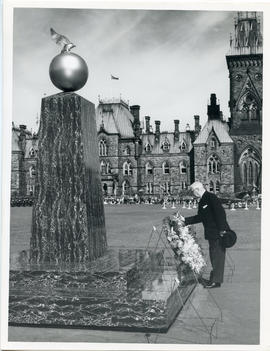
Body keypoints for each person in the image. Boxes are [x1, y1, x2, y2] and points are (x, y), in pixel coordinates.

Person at [181, 181, 230, 289]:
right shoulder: (203, 199)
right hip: (212, 233)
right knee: (214, 256)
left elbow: (220, 213)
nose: (193, 194)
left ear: (197, 189)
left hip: (218, 233)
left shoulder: (210, 197)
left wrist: (222, 229)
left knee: (217, 256)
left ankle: (216, 282)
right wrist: (183, 221)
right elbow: (200, 217)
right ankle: (215, 279)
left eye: (193, 191)